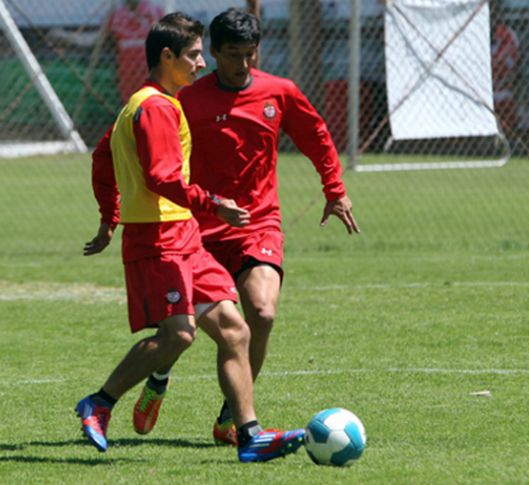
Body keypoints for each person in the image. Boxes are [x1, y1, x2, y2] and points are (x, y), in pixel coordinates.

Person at [76, 11, 305, 463]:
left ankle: (249, 435)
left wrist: (109, 216)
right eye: (195, 55)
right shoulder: (157, 107)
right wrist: (212, 203)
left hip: (185, 237)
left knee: (236, 331)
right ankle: (99, 402)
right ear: (168, 56)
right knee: (179, 336)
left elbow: (102, 157)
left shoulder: (146, 103)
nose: (202, 64)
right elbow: (163, 176)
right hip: (159, 237)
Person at [133, 8, 360, 446]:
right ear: (213, 53)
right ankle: (158, 376)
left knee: (262, 312)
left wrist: (335, 190)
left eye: (249, 53)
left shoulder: (281, 92)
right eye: (232, 54)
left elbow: (316, 136)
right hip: (196, 229)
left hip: (258, 225)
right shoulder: (187, 99)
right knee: (179, 331)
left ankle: (233, 418)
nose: (242, 63)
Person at [107, 0, 165, 104]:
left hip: (151, 72)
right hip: (126, 73)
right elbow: (104, 41)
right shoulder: (116, 16)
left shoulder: (155, 14)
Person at [490, 1, 520, 136]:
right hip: (481, 86)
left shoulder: (507, 34)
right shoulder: (472, 34)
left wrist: (494, 66)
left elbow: (507, 64)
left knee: (505, 101)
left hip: (502, 86)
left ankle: (506, 136)